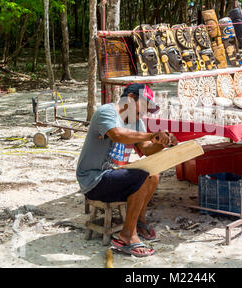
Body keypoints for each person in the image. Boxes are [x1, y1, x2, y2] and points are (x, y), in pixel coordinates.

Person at [76, 84, 178, 257]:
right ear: (130, 98)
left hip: (113, 175)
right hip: (93, 180)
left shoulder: (136, 121)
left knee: (153, 174)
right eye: (144, 106)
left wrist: (162, 143)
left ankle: (138, 220)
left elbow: (146, 149)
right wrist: (152, 135)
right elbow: (117, 134)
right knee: (142, 176)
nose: (145, 112)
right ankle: (127, 236)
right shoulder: (107, 112)